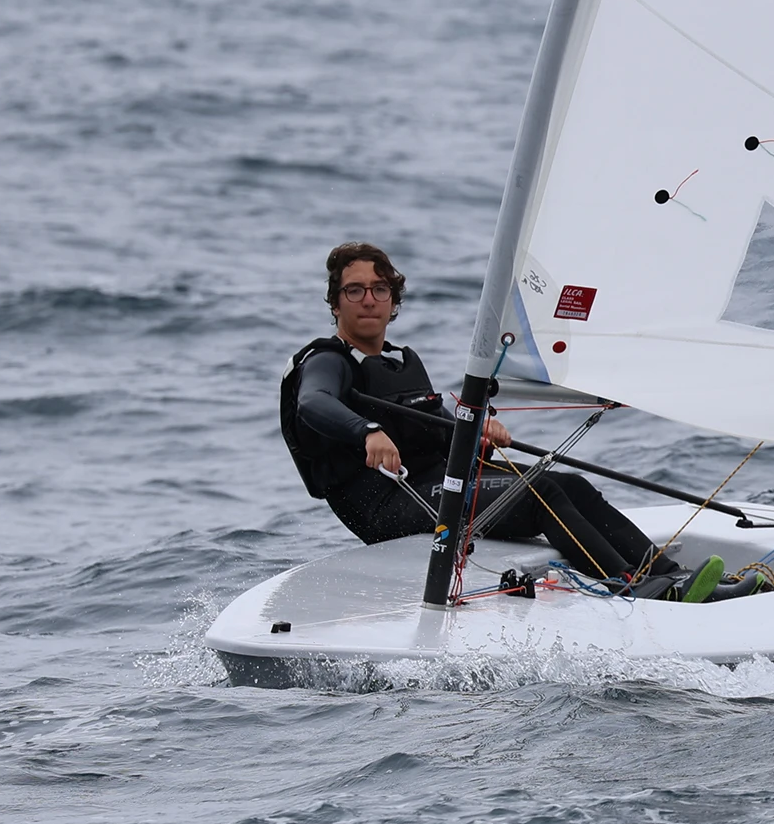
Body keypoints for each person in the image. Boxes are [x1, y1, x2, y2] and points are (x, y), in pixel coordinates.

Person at [282, 241, 702, 599]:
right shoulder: (327, 361)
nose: (369, 299)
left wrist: (475, 431)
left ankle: (668, 575)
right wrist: (367, 432)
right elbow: (313, 403)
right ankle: (628, 585)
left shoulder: (400, 363)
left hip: (436, 486)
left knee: (572, 485)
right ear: (335, 302)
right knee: (538, 492)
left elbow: (436, 426)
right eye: (354, 290)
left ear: (393, 300)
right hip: (387, 507)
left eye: (379, 289)